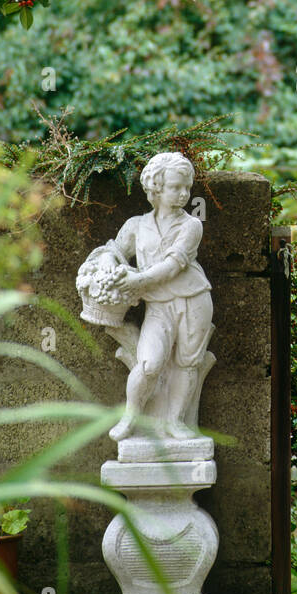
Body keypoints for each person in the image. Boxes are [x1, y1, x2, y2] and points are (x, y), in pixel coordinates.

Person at [104, 151, 213, 443]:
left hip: (193, 300)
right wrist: (106, 268)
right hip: (158, 307)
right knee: (149, 364)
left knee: (188, 363)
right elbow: (113, 251)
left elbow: (174, 265)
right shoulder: (137, 226)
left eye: (187, 188)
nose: (183, 194)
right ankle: (131, 417)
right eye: (175, 187)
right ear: (156, 188)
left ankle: (175, 422)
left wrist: (137, 280)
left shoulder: (192, 226)